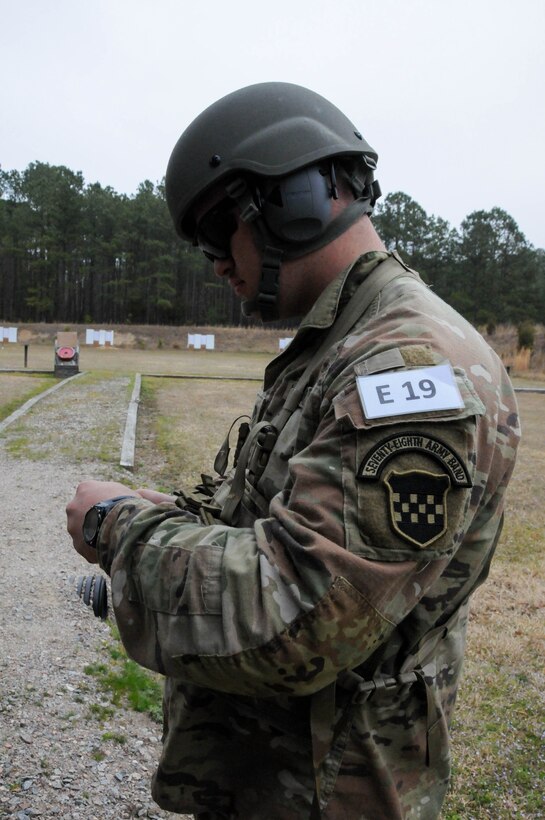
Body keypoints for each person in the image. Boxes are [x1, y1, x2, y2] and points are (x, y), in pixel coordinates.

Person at [66, 82, 521, 819]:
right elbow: (281, 519)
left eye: (218, 231)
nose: (215, 263)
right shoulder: (345, 339)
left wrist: (118, 531)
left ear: (293, 199)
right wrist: (178, 518)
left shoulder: (406, 364)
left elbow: (301, 613)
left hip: (324, 789)